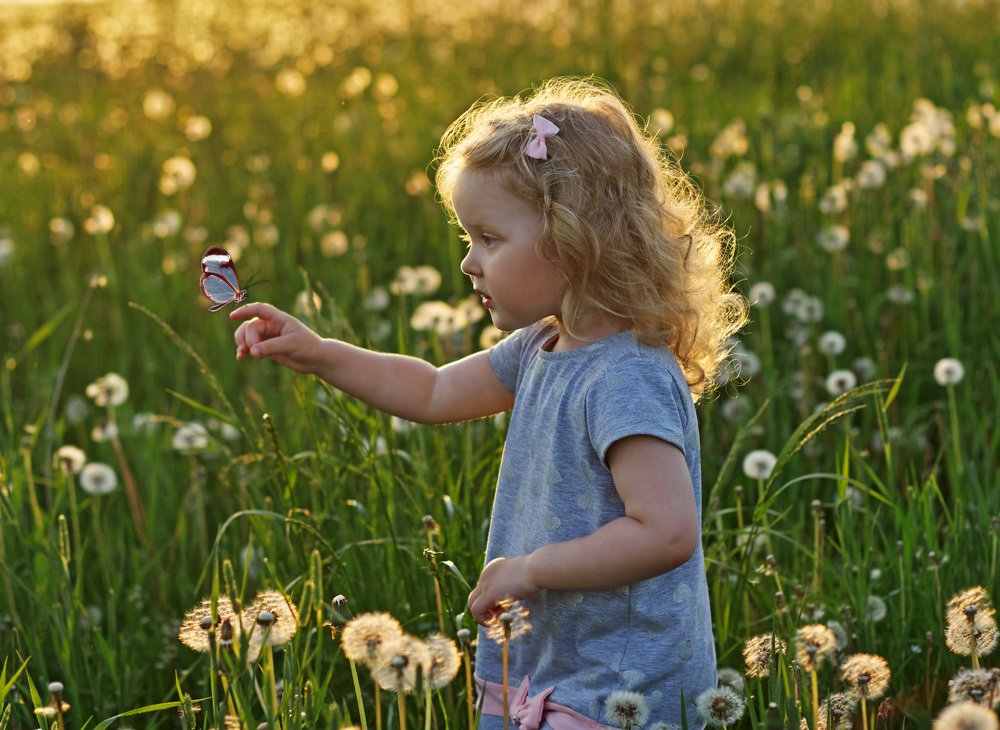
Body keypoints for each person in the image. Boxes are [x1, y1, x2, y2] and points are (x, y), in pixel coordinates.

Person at [232, 77, 747, 729]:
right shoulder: (544, 345)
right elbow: (431, 389)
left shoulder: (626, 376)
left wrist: (531, 569)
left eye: (489, 238)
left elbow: (666, 531)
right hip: (542, 667)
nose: (469, 264)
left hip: (619, 691)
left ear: (573, 237)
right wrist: (318, 352)